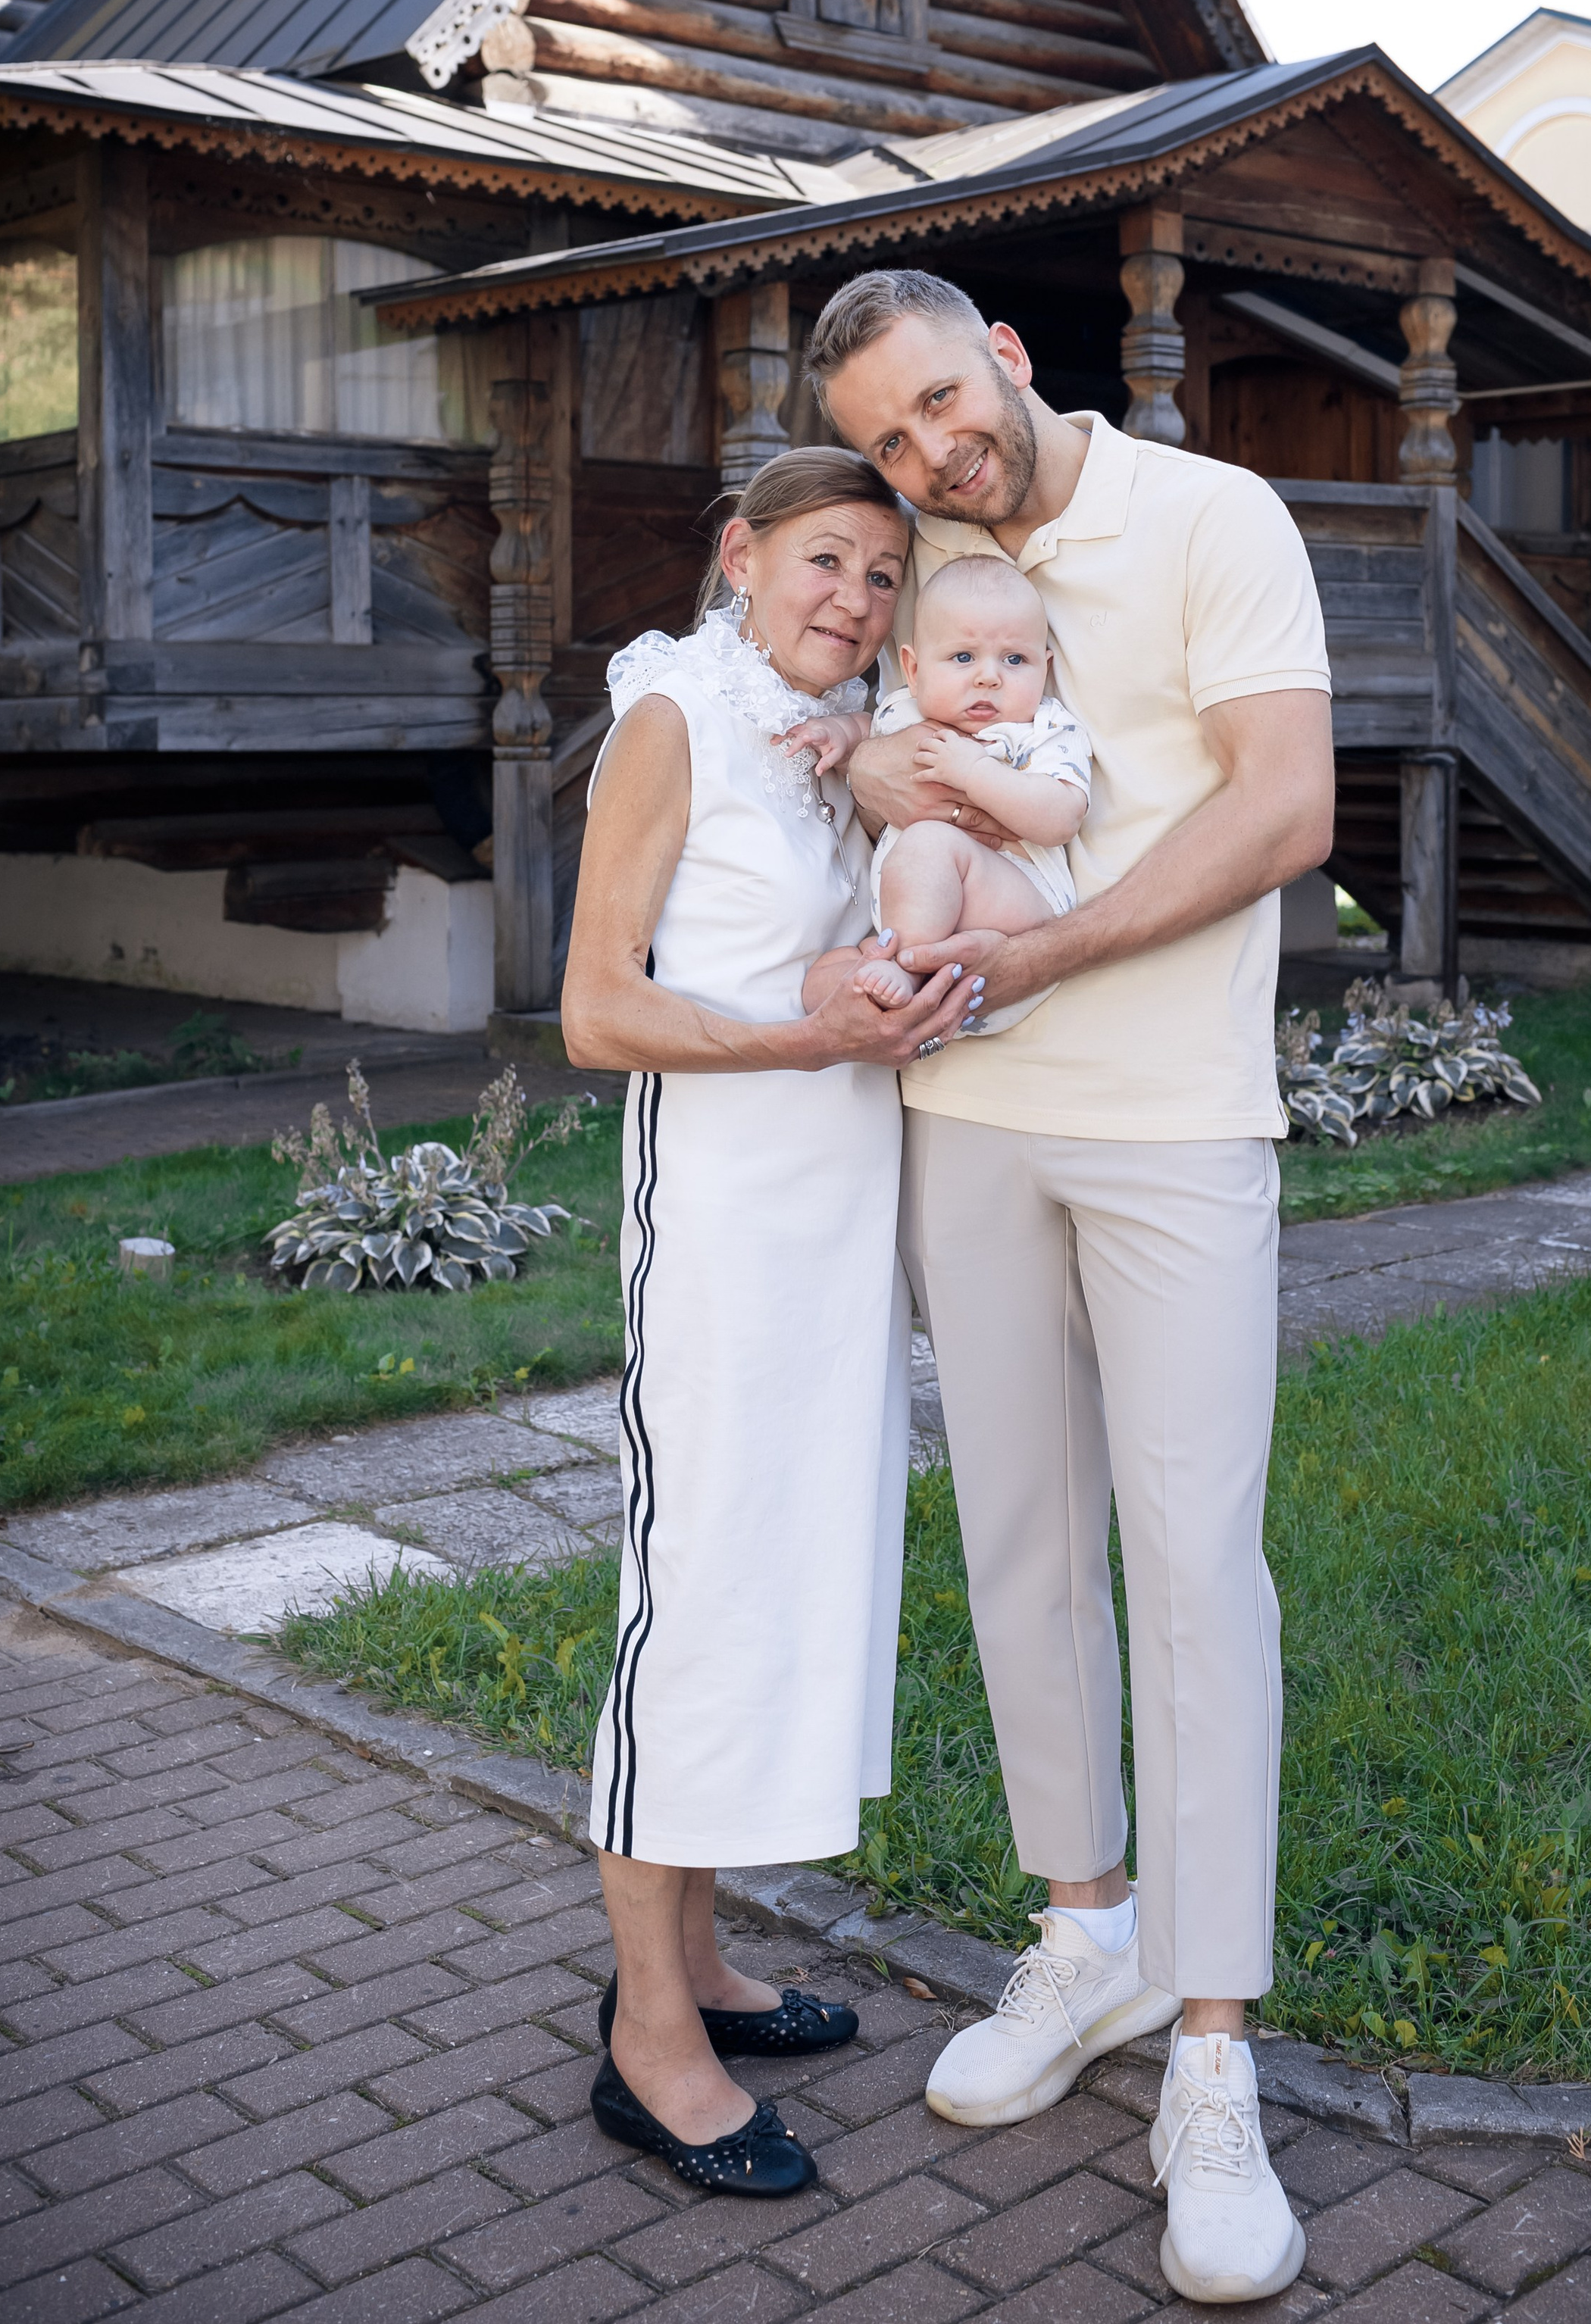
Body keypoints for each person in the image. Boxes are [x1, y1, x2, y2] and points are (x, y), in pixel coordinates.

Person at [811, 268, 1335, 2305]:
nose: (934, 458)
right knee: (1022, 1543)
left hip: (1179, 1115)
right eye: (893, 440)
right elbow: (844, 736)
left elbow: (1286, 809)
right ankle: (1086, 1940)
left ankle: (1214, 2057)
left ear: (1012, 359)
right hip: (969, 1116)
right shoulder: (924, 562)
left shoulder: (1215, 520)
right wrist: (879, 786)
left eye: (947, 405)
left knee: (1196, 1566)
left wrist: (1049, 947)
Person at [561, 448, 978, 2199]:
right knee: (694, 1610)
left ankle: (706, 1966)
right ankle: (647, 2042)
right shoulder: (671, 714)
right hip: (722, 1236)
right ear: (740, 553)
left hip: (830, 1238)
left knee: (776, 1596)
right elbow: (595, 1010)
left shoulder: (838, 733)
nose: (853, 602)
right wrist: (810, 1034)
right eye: (824, 559)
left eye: (882, 576)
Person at [797, 555, 1090, 1029]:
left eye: (1016, 660)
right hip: (912, 925)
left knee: (932, 843)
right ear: (913, 669)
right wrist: (840, 733)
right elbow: (869, 732)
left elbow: (1061, 820)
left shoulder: (1042, 729)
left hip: (1016, 915)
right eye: (963, 657)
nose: (989, 677)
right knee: (820, 981)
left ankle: (908, 971)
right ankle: (889, 977)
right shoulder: (903, 713)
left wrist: (976, 772)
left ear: (1046, 668)